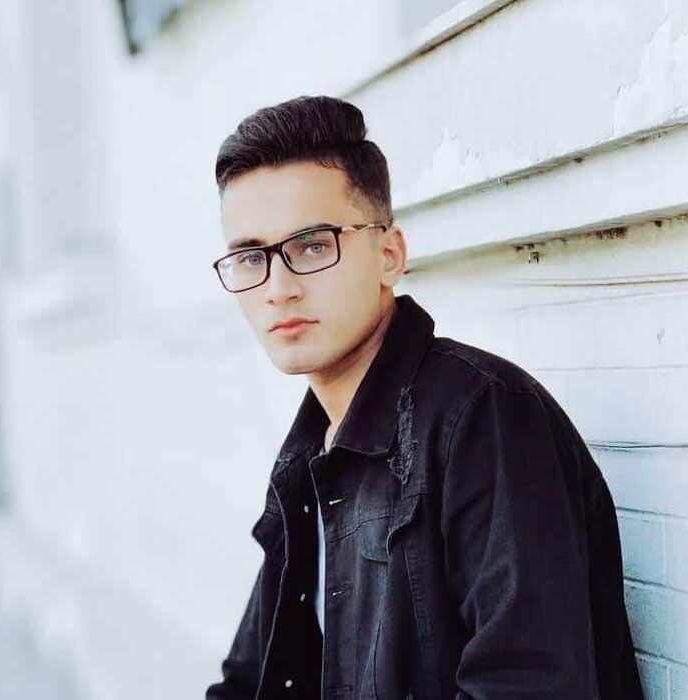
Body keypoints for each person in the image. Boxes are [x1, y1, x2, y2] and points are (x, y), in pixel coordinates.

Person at [205, 95, 643, 699]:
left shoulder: (482, 417)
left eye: (312, 245)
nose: (278, 288)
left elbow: (528, 686)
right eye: (251, 257)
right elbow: (248, 682)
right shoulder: (309, 457)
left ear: (389, 255)